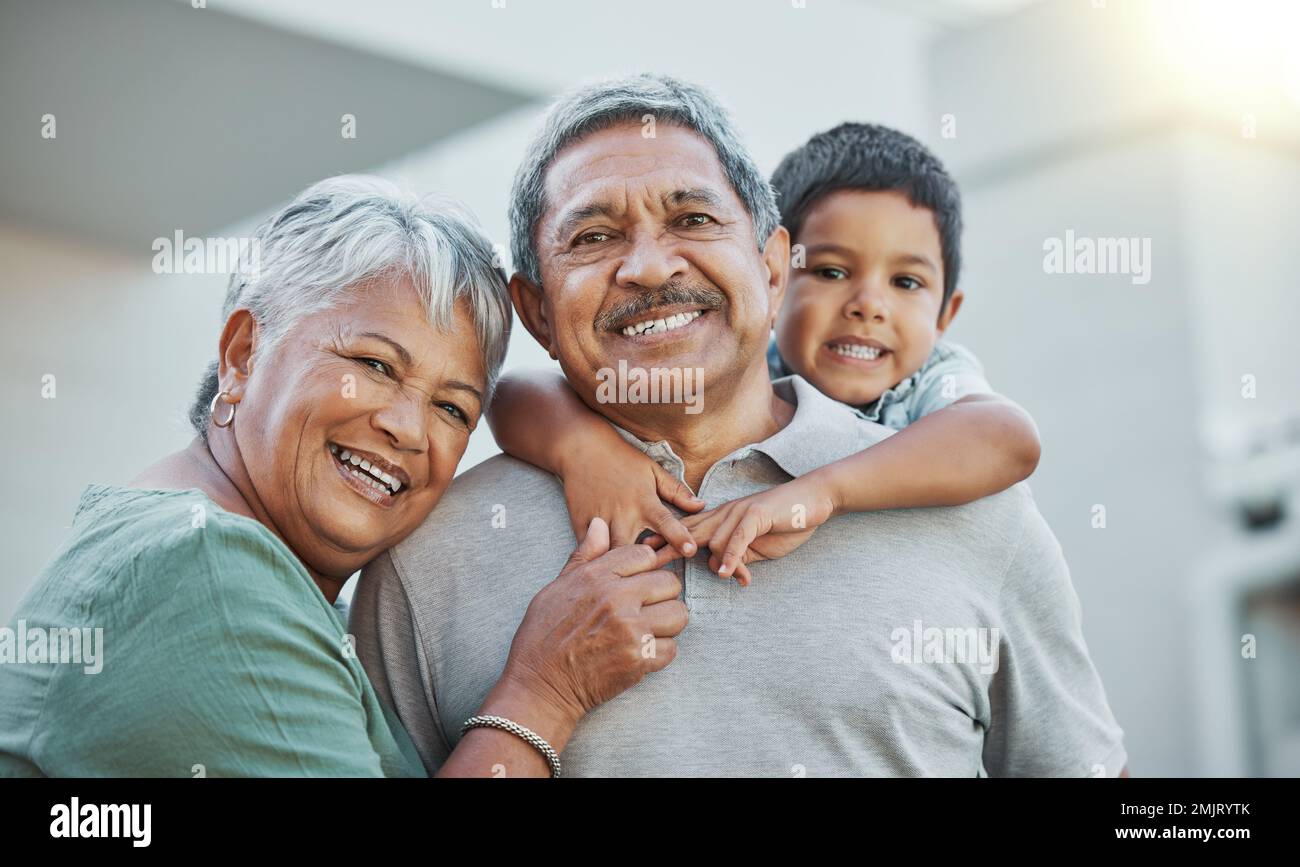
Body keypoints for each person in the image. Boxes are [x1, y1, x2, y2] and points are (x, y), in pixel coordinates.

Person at [350, 74, 1129, 777]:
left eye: (692, 217)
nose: (651, 268)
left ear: (771, 265)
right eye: (593, 237)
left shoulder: (971, 509)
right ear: (537, 312)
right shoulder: (423, 561)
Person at [0, 176, 686, 778]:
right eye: (375, 365)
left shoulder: (221, 556)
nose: (409, 430)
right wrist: (546, 689)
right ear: (242, 353)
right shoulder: (207, 568)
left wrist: (576, 445)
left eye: (452, 407)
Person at [488, 122, 1042, 584]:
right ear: (777, 278)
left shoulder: (929, 384)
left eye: (906, 283)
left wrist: (824, 491)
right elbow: (511, 393)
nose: (868, 306)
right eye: (830, 272)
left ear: (947, 315)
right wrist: (582, 451)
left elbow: (1009, 438)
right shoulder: (746, 359)